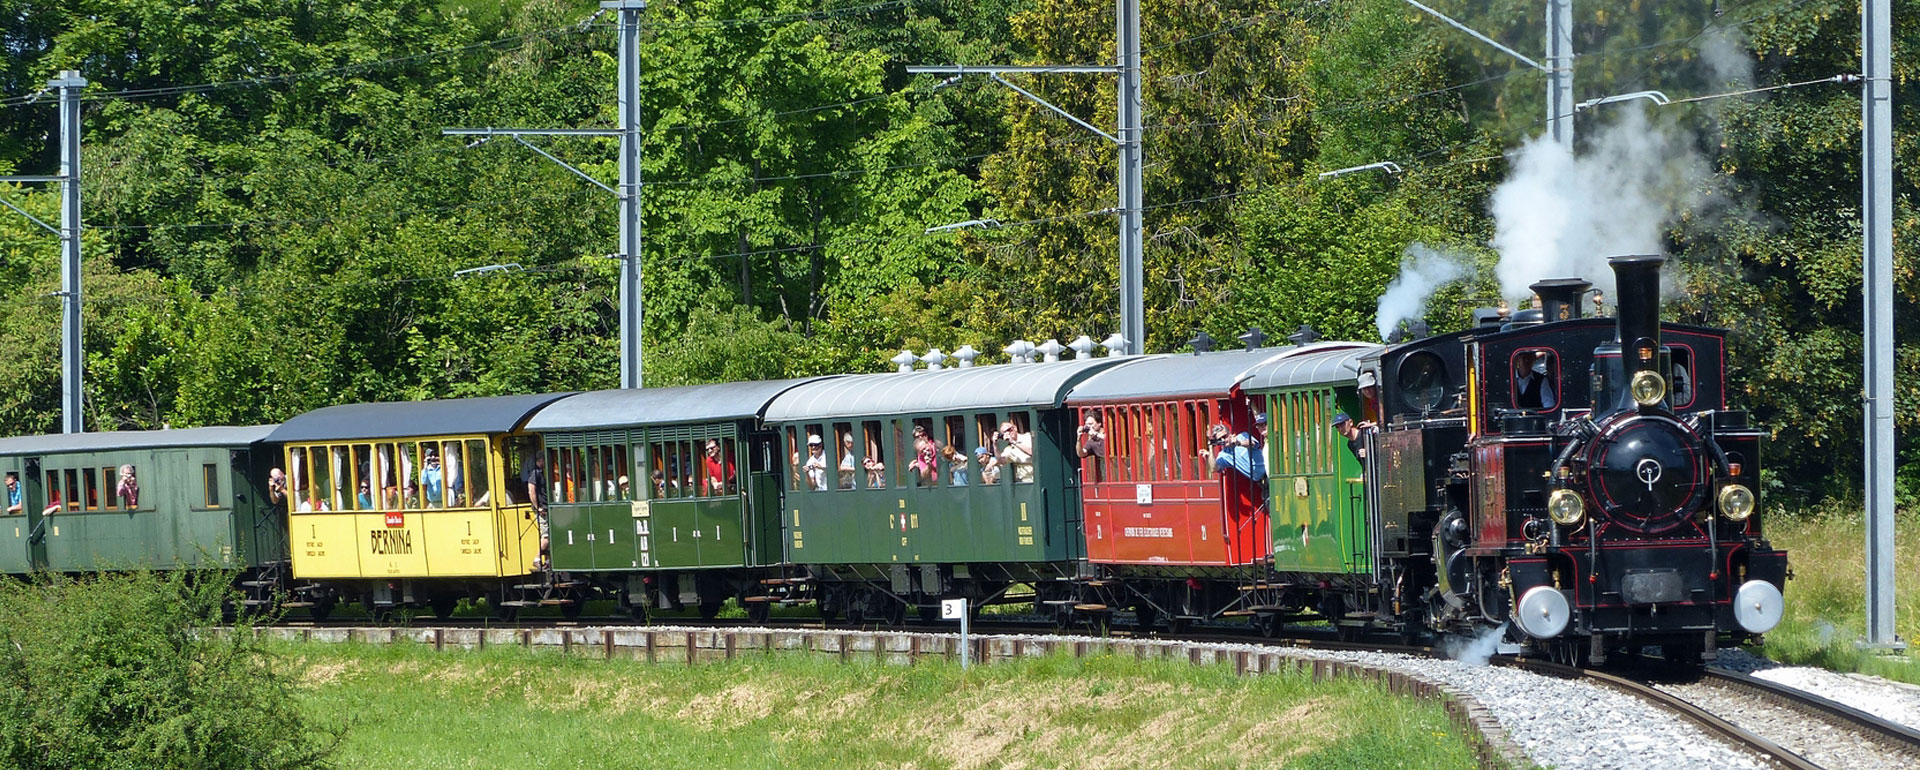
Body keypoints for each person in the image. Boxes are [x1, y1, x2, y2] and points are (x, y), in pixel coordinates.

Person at [523, 453, 549, 570]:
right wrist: (537, 507)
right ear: (541, 460)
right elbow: (531, 491)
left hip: (544, 508)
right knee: (546, 536)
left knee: (549, 535)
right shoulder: (535, 474)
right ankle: (537, 559)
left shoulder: (540, 473)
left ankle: (548, 560)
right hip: (541, 509)